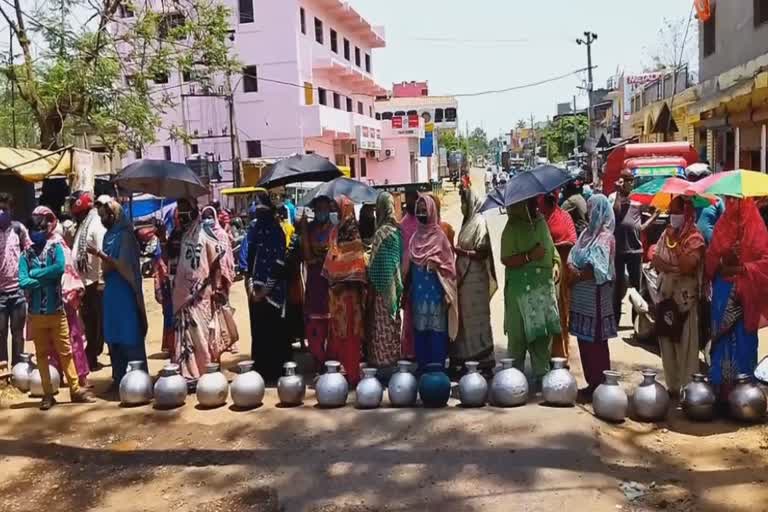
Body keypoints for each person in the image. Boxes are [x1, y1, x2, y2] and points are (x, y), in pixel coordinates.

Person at [22, 207, 94, 409]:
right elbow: (23, 280)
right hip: (37, 313)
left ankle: (75, 389)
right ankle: (48, 394)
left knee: (67, 350)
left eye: (42, 228)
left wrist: (36, 275)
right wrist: (44, 278)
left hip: (58, 308)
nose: (39, 232)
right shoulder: (26, 254)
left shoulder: (56, 248)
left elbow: (60, 269)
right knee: (42, 355)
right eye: (35, 230)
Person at [705, 197, 768, 401]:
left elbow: (765, 262)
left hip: (747, 293)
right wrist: (726, 258)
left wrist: (743, 267)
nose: (735, 204)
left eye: (738, 200)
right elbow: (711, 260)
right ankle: (720, 391)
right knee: (722, 341)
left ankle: (745, 395)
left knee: (744, 339)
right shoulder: (722, 225)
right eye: (731, 200)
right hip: (723, 291)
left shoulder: (756, 226)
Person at [171, 202, 235, 384]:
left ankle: (208, 369)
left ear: (193, 214)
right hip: (183, 296)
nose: (183, 217)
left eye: (186, 213)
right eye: (180, 214)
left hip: (203, 295)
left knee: (204, 335)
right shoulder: (183, 236)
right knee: (186, 336)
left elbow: (215, 262)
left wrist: (216, 287)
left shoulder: (206, 235)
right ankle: (188, 372)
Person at [88, 199, 148, 390]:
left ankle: (138, 378)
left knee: (129, 332)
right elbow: (107, 268)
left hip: (125, 289)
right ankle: (118, 377)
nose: (103, 219)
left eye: (105, 216)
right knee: (113, 334)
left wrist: (100, 254)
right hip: (111, 290)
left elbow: (123, 265)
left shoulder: (126, 236)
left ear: (114, 215)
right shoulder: (108, 236)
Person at [500, 198, 560, 381]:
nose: (534, 206)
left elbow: (551, 248)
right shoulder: (511, 228)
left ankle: (543, 375)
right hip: (520, 290)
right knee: (517, 334)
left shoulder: (541, 223)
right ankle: (513, 379)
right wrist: (529, 256)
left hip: (542, 288)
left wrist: (556, 263)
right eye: (529, 203)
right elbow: (506, 259)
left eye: (534, 203)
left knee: (542, 333)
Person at [652, 196, 705, 394]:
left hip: (685, 300)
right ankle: (673, 387)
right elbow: (655, 259)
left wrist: (675, 249)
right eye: (671, 211)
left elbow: (688, 265)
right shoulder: (666, 234)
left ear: (687, 212)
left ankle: (689, 389)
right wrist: (670, 267)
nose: (673, 216)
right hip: (666, 297)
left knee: (686, 344)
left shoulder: (695, 237)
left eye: (677, 211)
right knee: (666, 342)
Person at [568, 194, 617, 398]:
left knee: (597, 344)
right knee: (584, 343)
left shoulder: (606, 237)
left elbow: (599, 267)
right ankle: (591, 383)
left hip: (595, 300)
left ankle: (601, 385)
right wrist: (572, 266)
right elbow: (574, 254)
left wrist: (578, 273)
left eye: (592, 209)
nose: (589, 213)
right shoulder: (585, 234)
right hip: (581, 301)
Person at [406, 195, 458, 372]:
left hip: (436, 296)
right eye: (418, 210)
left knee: (436, 333)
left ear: (432, 212)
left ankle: (437, 374)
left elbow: (450, 268)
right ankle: (423, 372)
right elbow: (409, 268)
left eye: (424, 210)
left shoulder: (440, 238)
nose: (421, 213)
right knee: (420, 333)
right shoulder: (414, 239)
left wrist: (438, 266)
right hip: (419, 297)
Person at [450, 188, 497, 377]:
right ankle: (464, 359)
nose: (462, 206)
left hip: (476, 279)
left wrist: (462, 253)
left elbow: (483, 252)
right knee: (464, 321)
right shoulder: (467, 222)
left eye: (463, 202)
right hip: (463, 279)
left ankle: (484, 361)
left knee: (478, 321)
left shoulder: (479, 222)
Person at [322, 196, 367, 385]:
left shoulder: (352, 234)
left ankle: (353, 374)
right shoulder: (336, 232)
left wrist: (340, 281)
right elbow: (331, 260)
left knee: (350, 334)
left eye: (336, 208)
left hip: (349, 295)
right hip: (335, 295)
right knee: (338, 333)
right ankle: (341, 372)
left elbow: (356, 266)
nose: (334, 212)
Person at [247, 191, 291, 382]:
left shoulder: (277, 232)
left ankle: (275, 370)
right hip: (255, 291)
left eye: (262, 208)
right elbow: (249, 262)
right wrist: (251, 287)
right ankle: (261, 370)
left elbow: (279, 263)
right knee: (259, 331)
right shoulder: (255, 232)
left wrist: (266, 289)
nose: (259, 212)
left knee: (275, 331)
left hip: (273, 293)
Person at [609, 169, 658, 324]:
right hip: (618, 249)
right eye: (626, 180)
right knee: (617, 286)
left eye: (631, 181)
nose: (629, 183)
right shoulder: (613, 197)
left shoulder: (637, 199)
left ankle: (638, 321)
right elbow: (616, 213)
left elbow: (652, 210)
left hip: (635, 249)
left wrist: (650, 220)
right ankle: (615, 321)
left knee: (637, 287)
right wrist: (618, 192)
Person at [68, 191, 107, 370]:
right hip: (84, 283)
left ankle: (92, 355)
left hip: (94, 283)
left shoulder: (95, 223)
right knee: (88, 321)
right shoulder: (83, 224)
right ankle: (91, 354)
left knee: (95, 323)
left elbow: (101, 251)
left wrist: (100, 280)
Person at [365, 192, 403, 375]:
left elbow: (373, 264)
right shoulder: (398, 231)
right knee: (393, 322)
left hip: (381, 289)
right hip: (395, 286)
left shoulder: (380, 233)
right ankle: (393, 361)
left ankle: (382, 364)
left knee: (381, 325)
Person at [539, 191, 577, 359]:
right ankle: (544, 353)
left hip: (560, 269)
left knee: (560, 311)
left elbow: (572, 240)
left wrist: (555, 245)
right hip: (540, 270)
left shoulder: (564, 217)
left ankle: (561, 353)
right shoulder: (539, 219)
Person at [301, 196, 333, 372]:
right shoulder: (309, 228)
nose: (322, 211)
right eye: (318, 208)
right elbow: (306, 256)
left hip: (330, 281)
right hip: (314, 280)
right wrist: (304, 230)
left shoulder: (335, 229)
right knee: (314, 322)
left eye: (324, 208)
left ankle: (330, 360)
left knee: (331, 323)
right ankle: (317, 359)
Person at [0, 192, 30, 366]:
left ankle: (18, 368)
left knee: (18, 333)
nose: (1, 212)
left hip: (18, 291)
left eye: (4, 209)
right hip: (0, 294)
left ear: (11, 210)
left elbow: (30, 251)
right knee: (0, 332)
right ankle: (3, 370)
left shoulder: (19, 229)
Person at [399, 189, 420, 360]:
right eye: (408, 199)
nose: (410, 202)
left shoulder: (423, 222)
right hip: (406, 274)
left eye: (413, 198)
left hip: (421, 274)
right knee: (409, 312)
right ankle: (409, 349)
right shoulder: (403, 224)